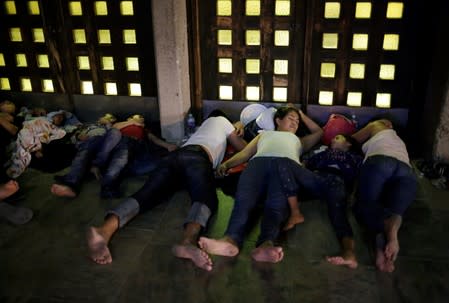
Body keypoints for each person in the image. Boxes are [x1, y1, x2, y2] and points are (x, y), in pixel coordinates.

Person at [86, 110, 247, 270]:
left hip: (175, 157)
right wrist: (239, 129)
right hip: (197, 157)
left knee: (147, 194)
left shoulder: (202, 127)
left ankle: (104, 230)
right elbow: (244, 149)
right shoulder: (222, 121)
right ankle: (187, 241)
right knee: (205, 198)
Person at [199, 106, 323, 264]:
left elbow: (319, 133)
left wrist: (301, 114)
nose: (295, 122)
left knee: (276, 204)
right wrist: (226, 165)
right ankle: (230, 240)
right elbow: (245, 154)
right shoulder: (265, 135)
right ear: (278, 120)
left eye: (297, 121)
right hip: (258, 163)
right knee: (243, 201)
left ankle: (266, 244)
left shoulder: (299, 141)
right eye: (291, 118)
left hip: (285, 167)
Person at [351, 119, 417, 273]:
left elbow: (352, 139)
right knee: (396, 210)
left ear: (387, 123)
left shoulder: (378, 125)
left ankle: (379, 247)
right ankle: (392, 234)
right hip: (406, 170)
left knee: (366, 204)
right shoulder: (399, 141)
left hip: (381, 161)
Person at [302, 134, 363, 268]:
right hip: (316, 177)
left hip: (336, 181)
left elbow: (359, 177)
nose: (332, 139)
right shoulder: (324, 152)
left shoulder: (354, 157)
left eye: (337, 137)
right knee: (288, 189)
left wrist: (354, 194)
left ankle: (349, 252)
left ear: (348, 144)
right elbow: (306, 164)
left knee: (338, 213)